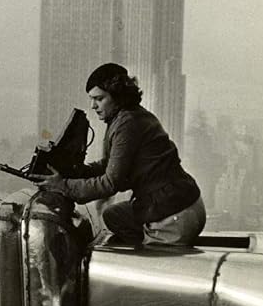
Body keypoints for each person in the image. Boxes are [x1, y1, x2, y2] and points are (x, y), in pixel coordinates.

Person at [40, 62, 206, 246]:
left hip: (175, 214)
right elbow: (110, 165)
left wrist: (63, 186)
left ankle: (148, 246)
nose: (93, 106)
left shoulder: (127, 123)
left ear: (117, 95)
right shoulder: (128, 117)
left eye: (99, 99)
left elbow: (111, 183)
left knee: (141, 258)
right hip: (183, 203)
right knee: (113, 216)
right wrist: (76, 173)